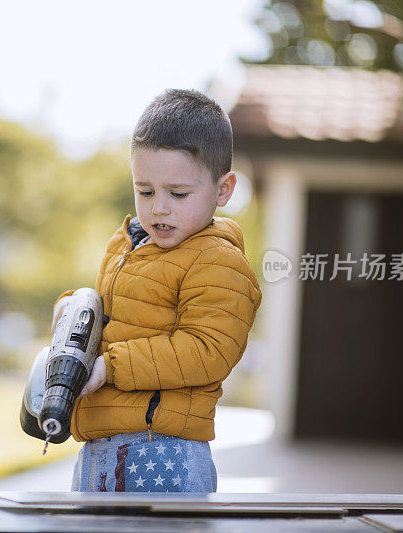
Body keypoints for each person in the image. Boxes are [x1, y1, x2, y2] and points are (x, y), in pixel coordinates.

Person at [53, 89, 261, 493]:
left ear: (223, 190)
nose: (158, 208)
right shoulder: (127, 245)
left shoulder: (218, 261)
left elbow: (208, 351)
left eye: (177, 194)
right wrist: (72, 309)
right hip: (99, 444)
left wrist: (110, 366)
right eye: (145, 191)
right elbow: (113, 319)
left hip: (164, 452)